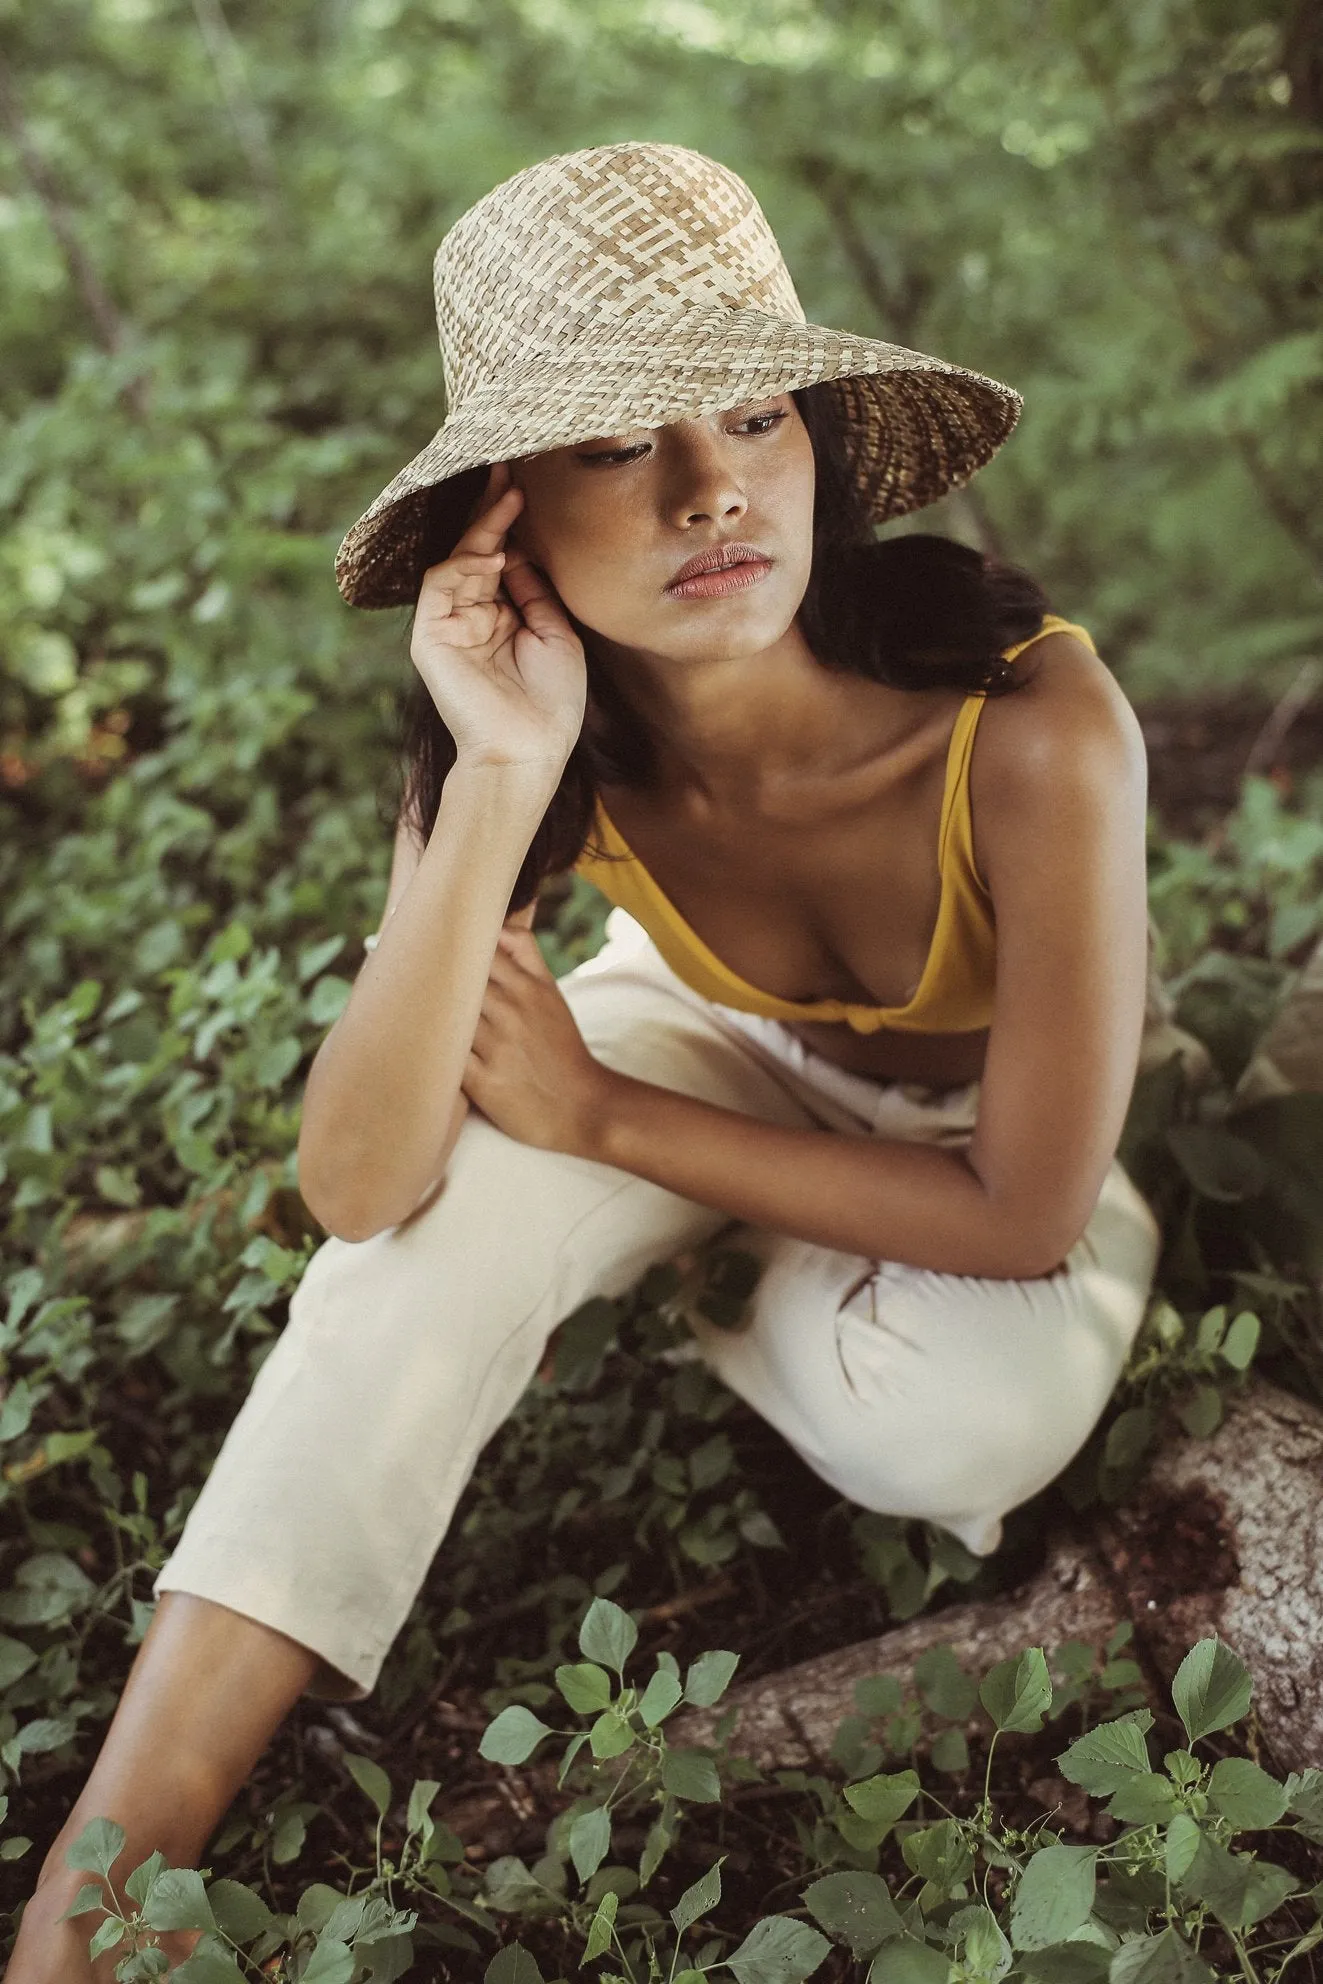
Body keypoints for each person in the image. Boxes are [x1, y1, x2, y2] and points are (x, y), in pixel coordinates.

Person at [11, 140, 1161, 1979]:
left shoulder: (1026, 718)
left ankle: (690, 1260)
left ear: (819, 448)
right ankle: (95, 1893)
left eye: (756, 419)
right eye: (622, 443)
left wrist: (602, 1124)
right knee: (405, 1273)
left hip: (973, 1129)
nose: (713, 491)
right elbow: (357, 1186)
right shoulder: (533, 730)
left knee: (967, 1421)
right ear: (506, 512)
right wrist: (489, 778)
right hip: (701, 1042)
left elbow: (1022, 1215)